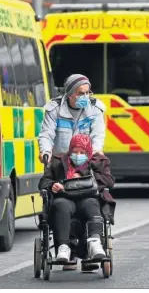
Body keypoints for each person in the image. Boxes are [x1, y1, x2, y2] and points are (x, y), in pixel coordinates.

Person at [38, 134, 116, 265]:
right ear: (70, 150)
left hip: (87, 197)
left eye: (82, 152)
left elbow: (109, 181)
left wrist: (82, 176)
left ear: (89, 152)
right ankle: (63, 247)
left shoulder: (98, 163)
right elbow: (44, 182)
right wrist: (53, 185)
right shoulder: (58, 162)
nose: (78, 155)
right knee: (60, 205)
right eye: (75, 152)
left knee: (92, 204)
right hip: (65, 198)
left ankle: (95, 242)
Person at [38, 74, 106, 164]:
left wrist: (95, 152)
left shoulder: (95, 109)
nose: (85, 96)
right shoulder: (55, 109)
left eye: (87, 92)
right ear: (70, 94)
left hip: (85, 163)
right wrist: (45, 151)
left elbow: (98, 135)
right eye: (81, 93)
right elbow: (47, 134)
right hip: (59, 163)